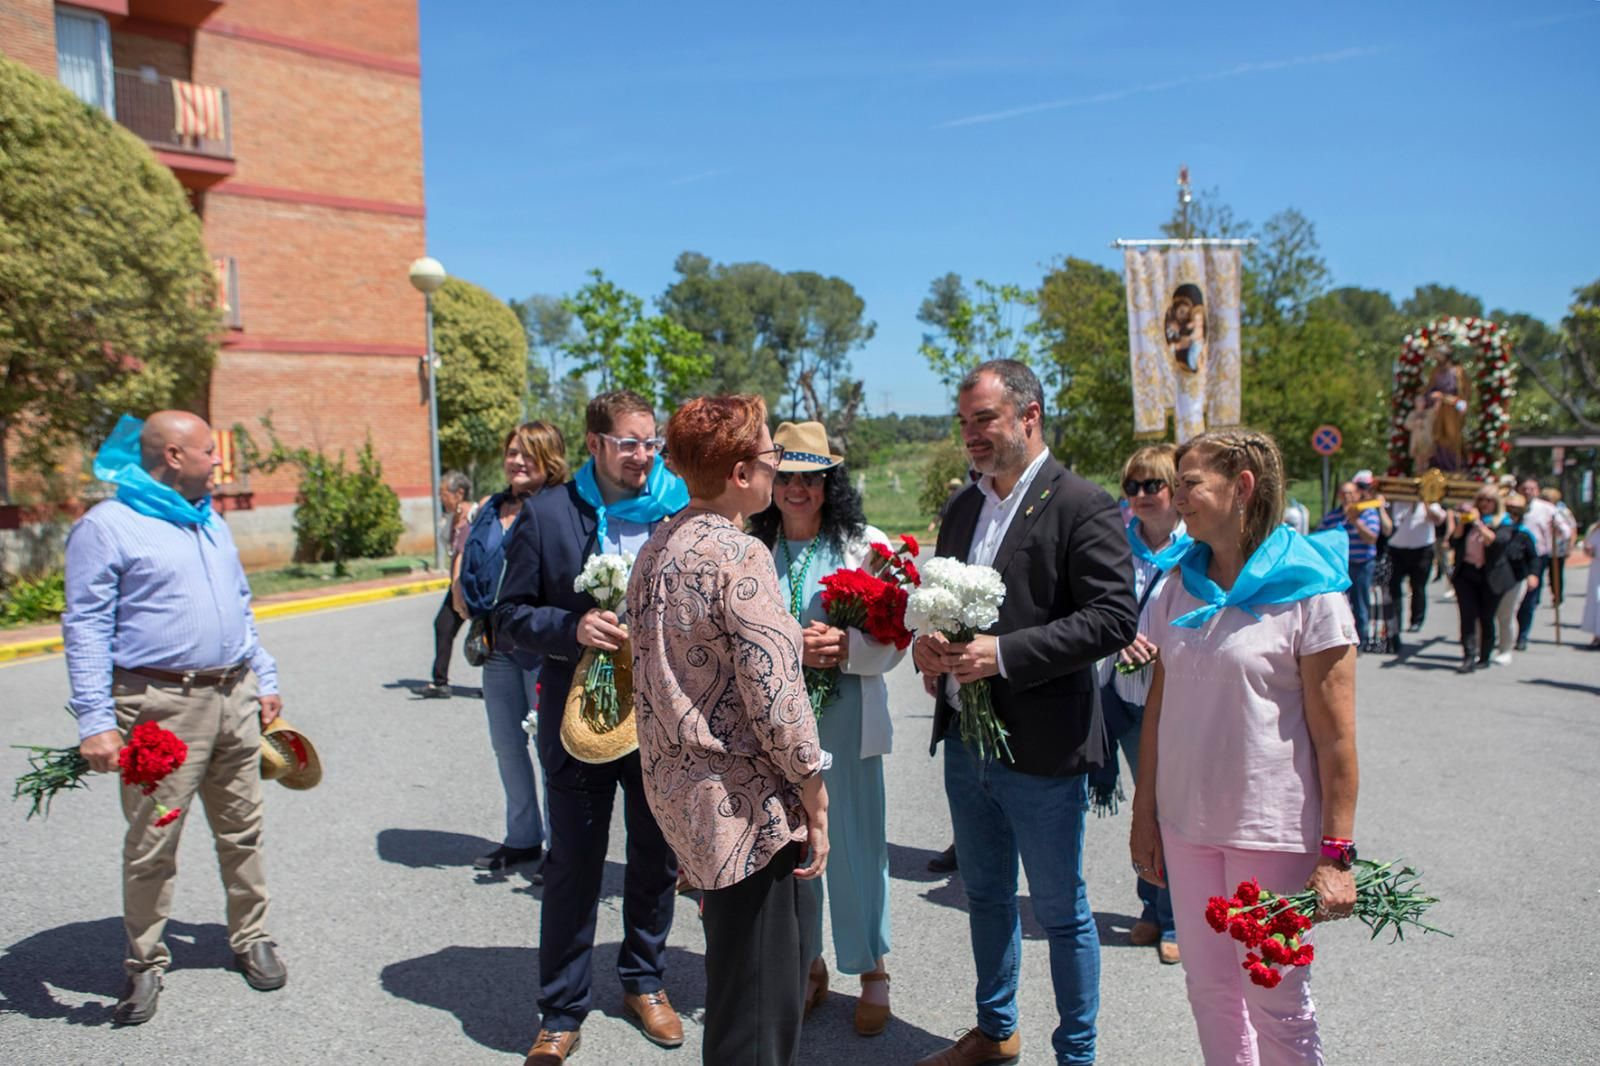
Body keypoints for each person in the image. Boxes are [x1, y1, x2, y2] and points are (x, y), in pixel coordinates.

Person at [911, 359, 1137, 1066]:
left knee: (1062, 912)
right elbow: (944, 606)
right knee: (984, 895)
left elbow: (1113, 619)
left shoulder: (1081, 503)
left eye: (985, 419)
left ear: (1029, 416)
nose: (972, 435)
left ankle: (1077, 1055)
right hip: (966, 742)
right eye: (965, 422)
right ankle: (996, 1029)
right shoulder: (962, 507)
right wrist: (928, 648)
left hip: (1042, 746)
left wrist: (1002, 654)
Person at [1128, 428, 1360, 1066]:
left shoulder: (1312, 592)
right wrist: (1144, 812)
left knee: (1275, 995)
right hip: (1186, 825)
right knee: (1209, 989)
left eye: (1191, 483)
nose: (1177, 497)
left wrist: (1338, 854)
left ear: (1243, 488)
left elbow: (1338, 737)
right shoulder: (1180, 585)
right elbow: (1158, 707)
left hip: (1271, 830)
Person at [63, 411, 288, 1026]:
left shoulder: (208, 520)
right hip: (160, 709)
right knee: (153, 842)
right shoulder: (108, 527)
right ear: (170, 456)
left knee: (242, 828)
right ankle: (144, 963)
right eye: (206, 451)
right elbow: (84, 628)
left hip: (233, 697)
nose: (217, 461)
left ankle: (251, 936)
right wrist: (94, 721)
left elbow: (239, 607)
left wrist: (262, 677)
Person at [630, 395, 830, 1066]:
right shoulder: (738, 556)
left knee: (738, 988)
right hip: (747, 811)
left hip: (685, 801)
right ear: (742, 473)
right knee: (758, 1014)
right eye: (772, 455)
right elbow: (777, 695)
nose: (779, 466)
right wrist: (815, 792)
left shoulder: (657, 547)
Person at [492, 391, 689, 1066]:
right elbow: (507, 616)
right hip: (578, 721)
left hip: (661, 722)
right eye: (630, 443)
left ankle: (644, 980)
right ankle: (561, 1009)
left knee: (655, 858)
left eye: (651, 442)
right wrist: (569, 628)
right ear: (596, 444)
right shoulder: (548, 516)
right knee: (574, 864)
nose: (643, 456)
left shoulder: (677, 508)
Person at [750, 420, 905, 1036]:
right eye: (784, 477)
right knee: (790, 846)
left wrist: (847, 648)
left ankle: (873, 970)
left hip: (845, 714)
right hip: (775, 725)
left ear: (828, 484)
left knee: (857, 842)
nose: (795, 489)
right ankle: (809, 964)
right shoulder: (752, 548)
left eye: (809, 478)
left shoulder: (866, 547)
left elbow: (897, 641)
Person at [456, 424, 567, 872]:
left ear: (550, 459)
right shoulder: (489, 509)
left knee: (548, 749)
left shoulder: (558, 510)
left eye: (529, 454)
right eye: (512, 453)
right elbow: (468, 555)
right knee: (506, 744)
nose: (517, 461)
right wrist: (456, 585)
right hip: (496, 643)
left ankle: (562, 850)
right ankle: (522, 837)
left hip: (539, 647)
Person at [1094, 445, 1189, 967]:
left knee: (1169, 808)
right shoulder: (1113, 546)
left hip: (1174, 697)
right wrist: (1120, 638)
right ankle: (1150, 906)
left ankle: (1171, 917)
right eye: (1133, 486)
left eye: (1154, 485)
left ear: (1176, 489)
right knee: (1145, 807)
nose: (1142, 496)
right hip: (1121, 694)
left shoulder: (1195, 549)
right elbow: (1096, 609)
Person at [1447, 486, 1514, 673]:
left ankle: (1484, 655)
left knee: (1486, 617)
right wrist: (1462, 521)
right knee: (1467, 617)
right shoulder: (1468, 521)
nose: (1485, 504)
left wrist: (1478, 523)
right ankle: (1468, 656)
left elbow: (1496, 542)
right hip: (1466, 574)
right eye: (1482, 500)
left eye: (1489, 500)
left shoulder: (1504, 522)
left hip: (1490, 576)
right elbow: (1454, 541)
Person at [422, 470, 474, 699]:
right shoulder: (453, 519)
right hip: (457, 585)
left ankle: (497, 683)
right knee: (443, 625)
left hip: (474, 585)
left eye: (444, 493)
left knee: (487, 634)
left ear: (459, 493)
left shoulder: (476, 515)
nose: (442, 498)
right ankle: (439, 682)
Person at [1316, 479, 1383, 649]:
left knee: (1360, 603)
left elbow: (1372, 538)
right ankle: (1340, 639)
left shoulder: (1368, 513)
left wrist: (1355, 521)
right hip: (1339, 568)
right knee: (1338, 605)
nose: (1347, 497)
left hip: (1361, 565)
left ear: (1358, 495)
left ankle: (1361, 640)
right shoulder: (1333, 516)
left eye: (1351, 493)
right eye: (1344, 494)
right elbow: (1318, 538)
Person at [1515, 476, 1574, 650]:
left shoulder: (1547, 509)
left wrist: (1558, 530)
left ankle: (1522, 635)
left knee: (1530, 596)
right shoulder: (1511, 505)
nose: (1528, 492)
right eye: (1525, 488)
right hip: (1512, 556)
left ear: (1537, 490)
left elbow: (1566, 530)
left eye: (1531, 488)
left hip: (1536, 555)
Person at [1385, 494, 1447, 638]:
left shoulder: (1430, 502)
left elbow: (1438, 520)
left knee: (1417, 586)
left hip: (1422, 549)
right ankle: (1396, 622)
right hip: (1396, 548)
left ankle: (1416, 620)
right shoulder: (1395, 501)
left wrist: (1423, 501)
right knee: (1394, 587)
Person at [1490, 493, 1540, 666]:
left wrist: (1533, 574)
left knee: (1506, 615)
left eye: (1516, 511)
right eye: (1508, 509)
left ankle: (1505, 649)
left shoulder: (1524, 534)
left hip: (1516, 579)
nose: (1512, 514)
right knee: (1487, 615)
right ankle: (1483, 646)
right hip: (1492, 577)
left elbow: (1533, 557)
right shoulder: (1492, 527)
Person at [1544, 488, 1576, 607]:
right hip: (1545, 547)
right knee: (1549, 574)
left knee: (1556, 573)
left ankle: (1558, 596)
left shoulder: (1563, 511)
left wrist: (1570, 545)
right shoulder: (1543, 511)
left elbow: (1572, 528)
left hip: (1559, 548)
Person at [1580, 519, 1600, 649]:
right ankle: (1597, 635)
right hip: (1597, 571)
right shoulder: (1596, 530)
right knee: (1597, 601)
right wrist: (1588, 549)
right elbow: (1589, 548)